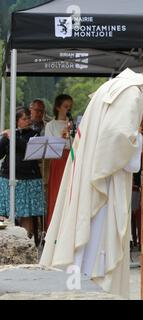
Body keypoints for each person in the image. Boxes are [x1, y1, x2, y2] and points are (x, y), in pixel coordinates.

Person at [39, 47, 143, 297]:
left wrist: (138, 129)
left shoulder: (123, 85)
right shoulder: (131, 93)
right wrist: (139, 139)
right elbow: (118, 141)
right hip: (105, 185)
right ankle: (92, 290)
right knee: (96, 246)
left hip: (94, 176)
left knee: (88, 246)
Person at [0, 108, 45, 246]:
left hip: (29, 179)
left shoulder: (34, 134)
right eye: (24, 118)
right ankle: (7, 244)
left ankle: (26, 245)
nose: (28, 121)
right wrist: (4, 139)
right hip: (8, 177)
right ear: (17, 121)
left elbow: (26, 148)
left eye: (28, 118)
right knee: (5, 213)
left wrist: (14, 138)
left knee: (26, 213)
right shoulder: (11, 135)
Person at [44, 94, 73, 230]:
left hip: (70, 159)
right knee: (56, 191)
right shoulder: (51, 125)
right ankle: (53, 227)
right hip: (57, 159)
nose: (68, 109)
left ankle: (68, 226)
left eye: (70, 107)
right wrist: (61, 137)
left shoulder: (72, 124)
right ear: (58, 107)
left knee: (70, 193)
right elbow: (48, 144)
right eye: (66, 107)